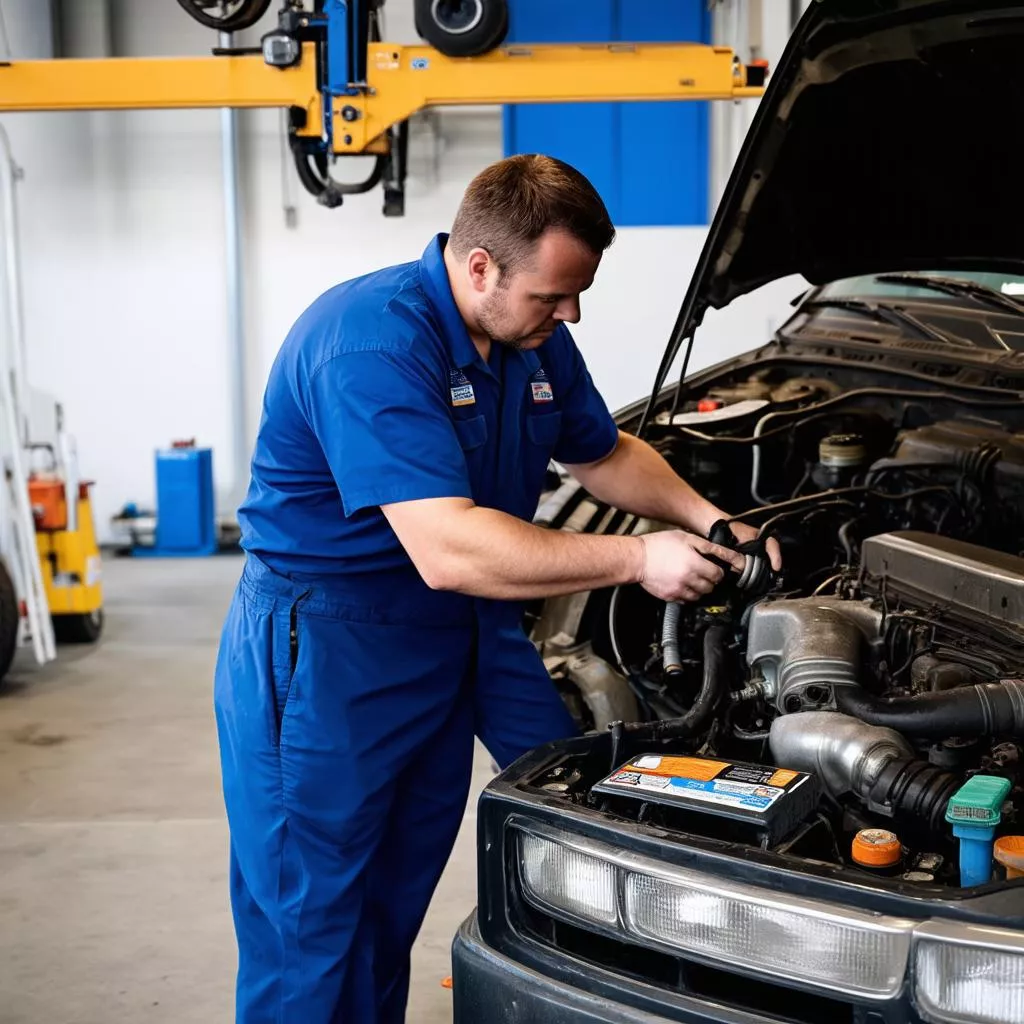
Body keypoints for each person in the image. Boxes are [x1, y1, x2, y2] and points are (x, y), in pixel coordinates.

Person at [214, 153, 780, 1023]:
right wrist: (637, 560)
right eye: (553, 296)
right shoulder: (370, 344)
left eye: (576, 295)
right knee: (311, 923)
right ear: (480, 266)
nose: (571, 313)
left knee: (392, 901)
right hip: (329, 649)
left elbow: (604, 452)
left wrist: (710, 522)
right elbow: (447, 548)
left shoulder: (527, 337)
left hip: (457, 632)